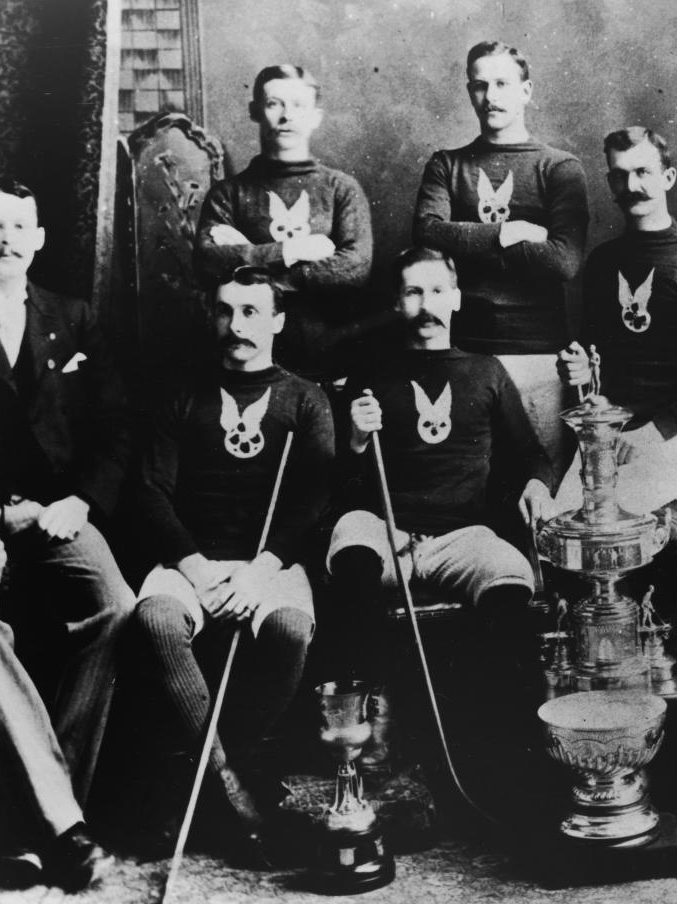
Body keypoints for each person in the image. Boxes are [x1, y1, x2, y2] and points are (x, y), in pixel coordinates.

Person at [0, 179, 133, 889]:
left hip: (53, 512)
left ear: (39, 239)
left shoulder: (74, 318)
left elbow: (115, 429)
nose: (6, 238)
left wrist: (85, 499)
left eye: (20, 226)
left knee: (116, 605)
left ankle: (33, 816)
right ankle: (66, 827)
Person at [130, 268, 333, 861]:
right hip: (189, 559)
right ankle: (230, 789)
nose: (236, 325)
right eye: (224, 311)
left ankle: (197, 784)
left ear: (277, 321)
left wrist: (258, 572)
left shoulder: (306, 399)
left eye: (250, 312)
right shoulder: (179, 393)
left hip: (270, 563)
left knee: (290, 629)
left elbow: (313, 500)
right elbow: (149, 491)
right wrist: (196, 568)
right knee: (158, 621)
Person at [327, 247, 553, 696]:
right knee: (351, 553)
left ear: (456, 298)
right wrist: (354, 438)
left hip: (462, 536)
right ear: (396, 302)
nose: (426, 304)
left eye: (436, 291)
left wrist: (536, 485)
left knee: (510, 581)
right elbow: (338, 481)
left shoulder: (486, 371)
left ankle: (484, 727)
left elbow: (531, 453)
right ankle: (375, 714)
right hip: (385, 529)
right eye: (413, 292)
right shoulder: (370, 373)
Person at [413, 40, 588, 467]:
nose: (490, 97)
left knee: (541, 488)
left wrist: (468, 242)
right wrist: (507, 234)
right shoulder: (447, 165)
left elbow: (563, 261)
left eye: (502, 84)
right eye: (479, 86)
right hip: (464, 351)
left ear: (526, 91)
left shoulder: (559, 168)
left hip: (539, 355)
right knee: (474, 487)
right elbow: (426, 235)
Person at [555, 126, 677, 519]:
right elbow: (596, 358)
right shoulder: (603, 262)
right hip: (614, 436)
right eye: (620, 175)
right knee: (560, 527)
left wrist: (653, 433)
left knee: (613, 519)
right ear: (610, 182)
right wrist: (579, 369)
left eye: (643, 172)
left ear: (668, 177)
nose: (632, 185)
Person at [195, 64, 373, 385]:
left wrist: (250, 260)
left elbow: (354, 270)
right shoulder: (228, 194)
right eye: (274, 103)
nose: (286, 116)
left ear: (315, 116)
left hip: (327, 358)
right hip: (246, 362)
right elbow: (208, 264)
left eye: (298, 105)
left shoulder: (341, 189)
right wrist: (295, 250)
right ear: (255, 111)